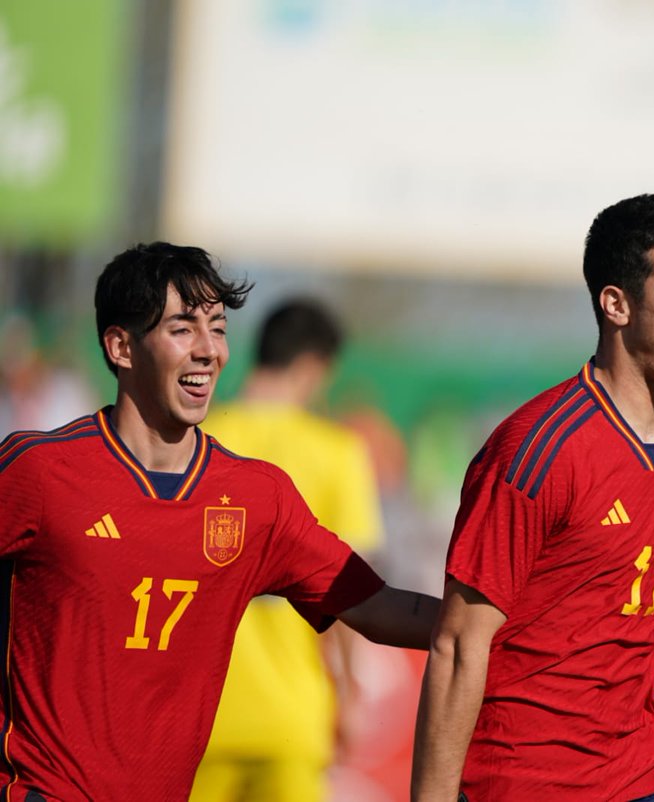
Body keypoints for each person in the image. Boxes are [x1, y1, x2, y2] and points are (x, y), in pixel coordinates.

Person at [0, 243, 439, 801]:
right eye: (183, 328)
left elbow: (377, 607)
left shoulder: (257, 496)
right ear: (120, 346)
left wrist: (506, 620)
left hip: (253, 745)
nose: (209, 350)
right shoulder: (38, 472)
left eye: (219, 328)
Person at [411, 193, 654, 802]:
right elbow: (458, 644)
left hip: (642, 782)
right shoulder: (537, 450)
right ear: (617, 304)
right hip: (523, 785)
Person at [189, 300, 385, 802]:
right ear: (313, 367)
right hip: (291, 718)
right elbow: (347, 592)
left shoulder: (196, 443)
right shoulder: (336, 451)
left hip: (195, 717)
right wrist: (349, 694)